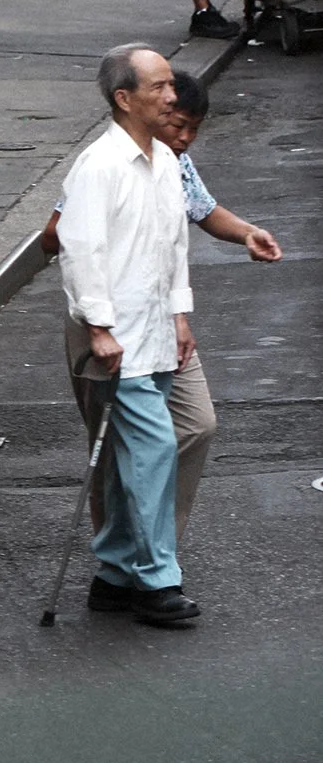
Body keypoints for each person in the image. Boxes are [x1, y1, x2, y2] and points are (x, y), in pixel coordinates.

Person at [41, 73, 283, 556]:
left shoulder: (174, 163)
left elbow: (200, 212)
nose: (185, 137)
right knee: (112, 445)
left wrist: (244, 234)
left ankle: (153, 546)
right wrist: (103, 305)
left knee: (194, 424)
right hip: (108, 321)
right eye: (178, 123)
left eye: (193, 128)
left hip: (163, 318)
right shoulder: (106, 164)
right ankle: (121, 563)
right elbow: (58, 237)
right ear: (142, 107)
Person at [55, 46, 200, 628]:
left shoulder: (163, 160)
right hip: (118, 338)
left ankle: (114, 574)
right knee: (152, 450)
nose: (172, 96)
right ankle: (155, 578)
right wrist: (97, 326)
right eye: (161, 88)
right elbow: (79, 248)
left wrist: (179, 312)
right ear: (125, 99)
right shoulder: (99, 165)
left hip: (155, 329)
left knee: (126, 459)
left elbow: (172, 245)